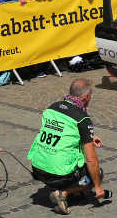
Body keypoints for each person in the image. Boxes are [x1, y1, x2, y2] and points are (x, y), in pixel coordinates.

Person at [28, 78, 107, 215]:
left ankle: (69, 190)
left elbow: (60, 130)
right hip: (58, 174)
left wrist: (89, 136)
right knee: (97, 174)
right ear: (86, 97)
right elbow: (91, 159)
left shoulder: (52, 107)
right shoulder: (82, 118)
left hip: (37, 167)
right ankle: (63, 193)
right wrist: (98, 187)